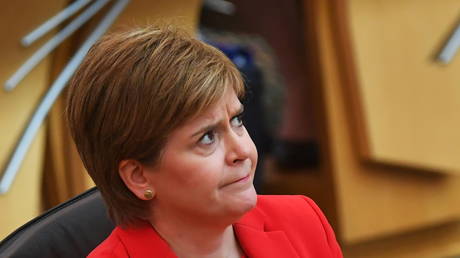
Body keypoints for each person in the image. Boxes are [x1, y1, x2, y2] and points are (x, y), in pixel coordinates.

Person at [66, 26, 342, 258]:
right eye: (207, 138)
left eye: (237, 121)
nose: (242, 151)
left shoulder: (302, 222)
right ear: (139, 177)